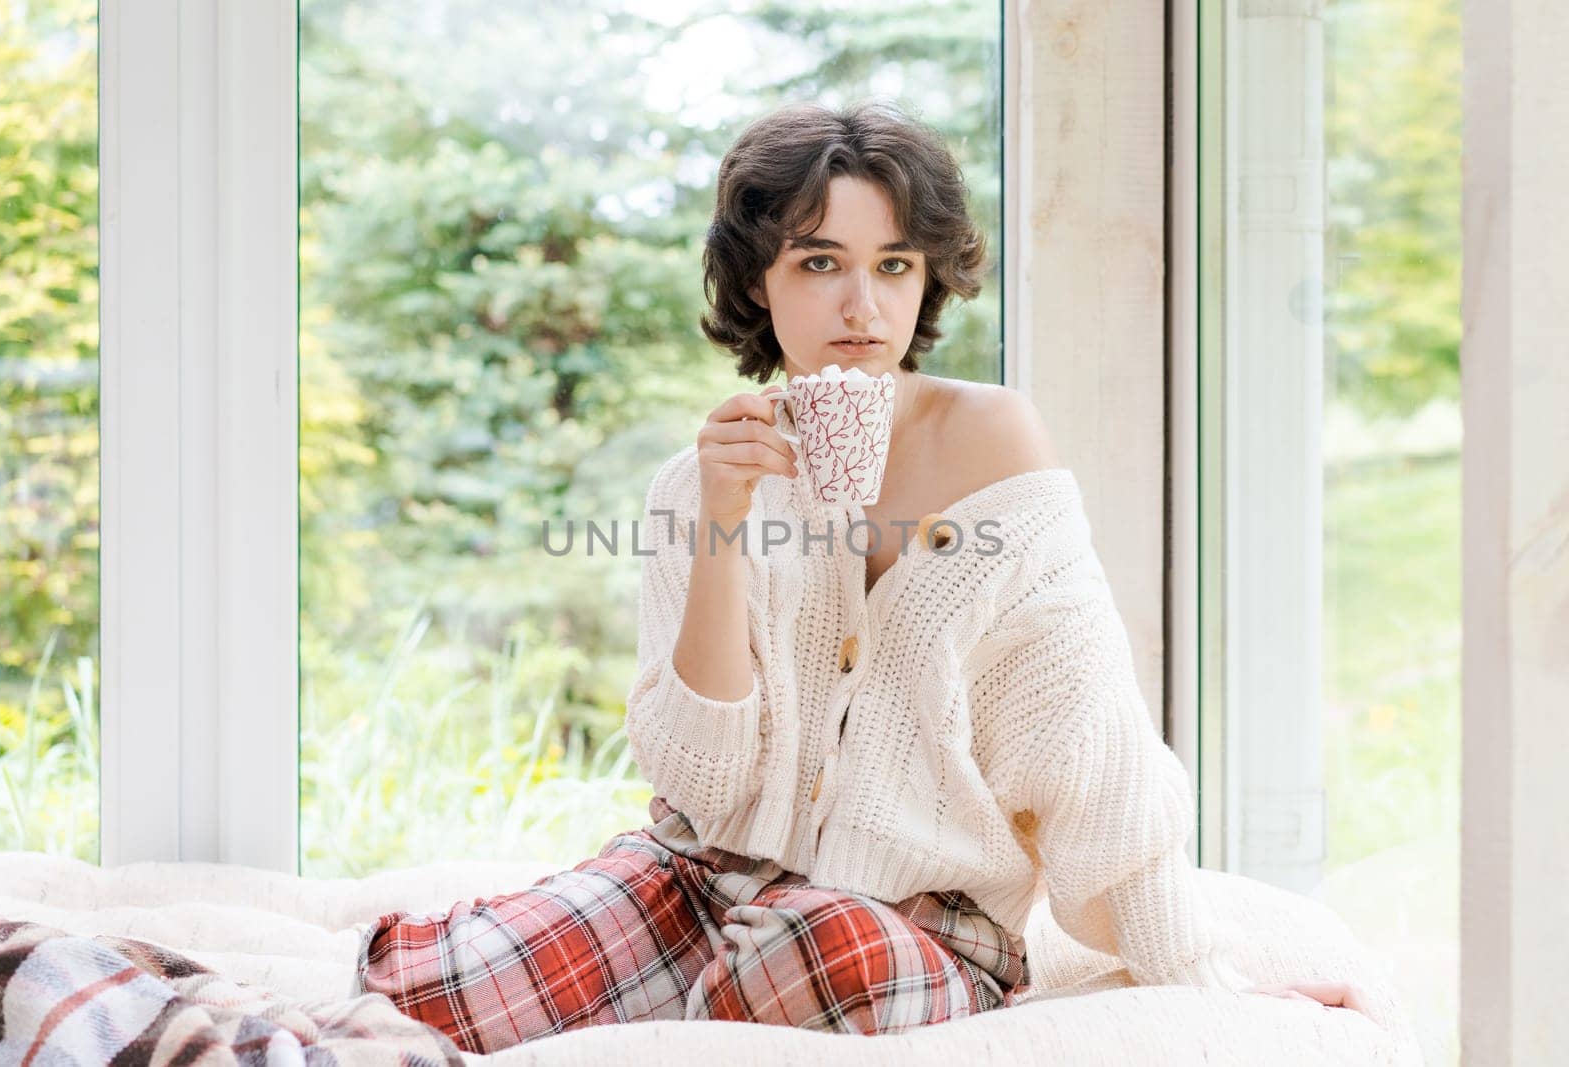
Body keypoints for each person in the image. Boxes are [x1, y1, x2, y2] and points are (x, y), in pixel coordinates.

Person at [354, 100, 1364, 1054]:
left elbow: (1086, 729)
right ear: (759, 281)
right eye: (819, 261)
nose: (861, 304)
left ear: (928, 279)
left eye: (893, 264)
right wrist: (720, 522)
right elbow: (701, 786)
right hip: (706, 880)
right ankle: (651, 979)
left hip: (913, 931)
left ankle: (664, 997)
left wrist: (1201, 975)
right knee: (431, 989)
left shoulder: (995, 442)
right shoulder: (700, 481)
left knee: (812, 946)